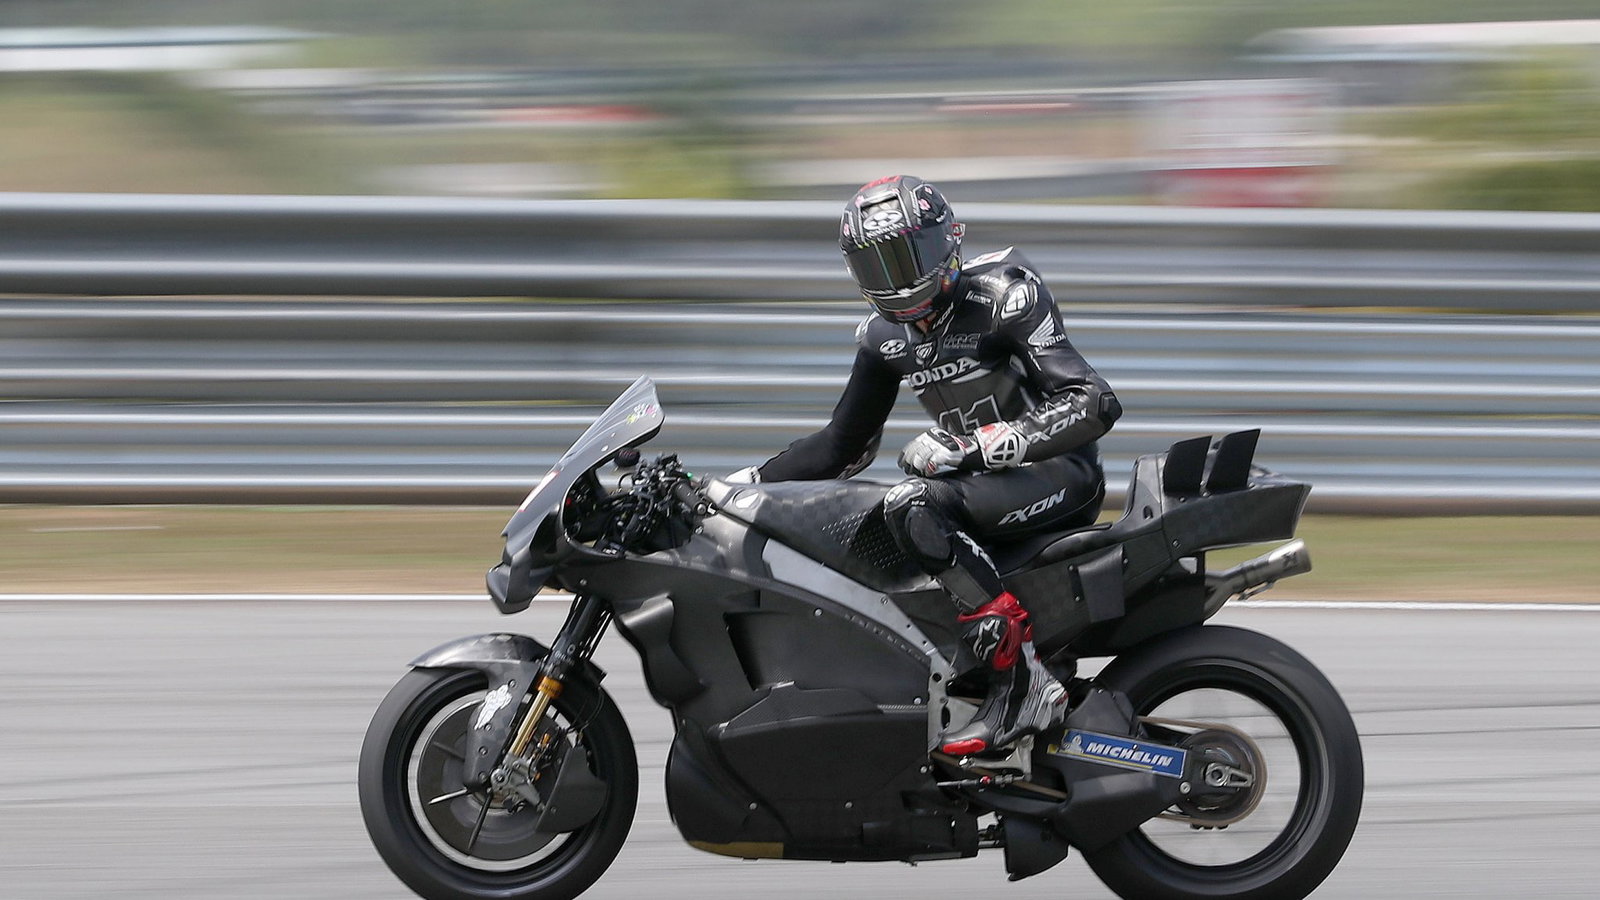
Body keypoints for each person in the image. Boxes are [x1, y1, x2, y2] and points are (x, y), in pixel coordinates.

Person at [732, 175, 1122, 756]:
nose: (893, 280)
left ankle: (1022, 684)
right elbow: (841, 446)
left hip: (1060, 474)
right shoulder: (883, 338)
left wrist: (974, 448)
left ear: (944, 242)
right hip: (984, 487)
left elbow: (1093, 402)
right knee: (869, 523)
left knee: (912, 504)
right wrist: (741, 485)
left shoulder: (1005, 295)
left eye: (902, 258)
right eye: (876, 265)